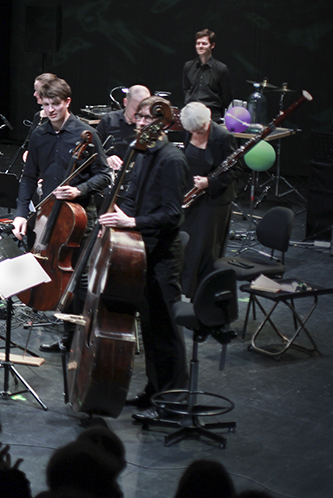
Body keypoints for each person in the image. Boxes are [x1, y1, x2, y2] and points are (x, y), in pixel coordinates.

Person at [97, 95, 189, 420]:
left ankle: (172, 402)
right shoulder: (142, 153)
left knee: (165, 331)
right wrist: (114, 220)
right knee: (149, 329)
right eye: (139, 117)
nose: (141, 123)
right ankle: (154, 390)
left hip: (163, 255)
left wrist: (131, 222)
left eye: (149, 118)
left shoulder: (172, 159)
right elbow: (132, 197)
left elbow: (173, 215)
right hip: (140, 251)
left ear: (163, 123)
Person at [11, 77, 109, 352]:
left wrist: (79, 190)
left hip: (78, 216)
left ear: (67, 102)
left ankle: (81, 337)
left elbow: (104, 175)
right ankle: (66, 333)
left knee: (78, 276)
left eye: (55, 104)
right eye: (46, 104)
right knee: (54, 270)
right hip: (47, 213)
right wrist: (21, 214)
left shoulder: (86, 134)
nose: (50, 110)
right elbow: (29, 177)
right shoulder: (39, 134)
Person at [179, 101, 240, 298]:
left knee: (205, 249)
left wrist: (209, 182)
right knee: (188, 246)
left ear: (209, 118)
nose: (197, 133)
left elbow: (236, 170)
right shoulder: (189, 130)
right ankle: (185, 290)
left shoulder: (223, 137)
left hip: (214, 199)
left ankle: (203, 295)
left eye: (200, 129)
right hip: (191, 196)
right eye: (193, 131)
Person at [96, 85, 151, 171]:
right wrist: (106, 158)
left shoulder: (149, 124)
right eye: (135, 109)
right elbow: (94, 150)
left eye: (143, 110)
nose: (139, 114)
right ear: (125, 102)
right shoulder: (109, 120)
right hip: (112, 172)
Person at [182, 28, 232, 121]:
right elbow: (186, 89)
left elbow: (226, 96)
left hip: (212, 116)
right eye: (198, 43)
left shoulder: (221, 69)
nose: (200, 46)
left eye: (204, 44)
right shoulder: (188, 66)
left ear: (212, 45)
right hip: (191, 114)